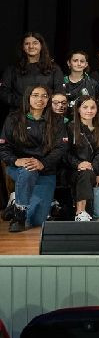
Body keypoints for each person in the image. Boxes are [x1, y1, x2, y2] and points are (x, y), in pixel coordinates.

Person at [0, 85, 67, 232]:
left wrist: (43, 163)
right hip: (19, 168)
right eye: (35, 95)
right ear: (28, 97)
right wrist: (16, 161)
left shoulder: (57, 120)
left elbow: (61, 148)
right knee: (28, 170)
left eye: (44, 96)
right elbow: (3, 147)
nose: (40, 99)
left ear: (48, 100)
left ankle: (16, 201)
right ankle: (19, 214)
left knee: (37, 220)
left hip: (46, 171)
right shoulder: (13, 118)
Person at [67, 96, 99, 222]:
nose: (89, 110)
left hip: (92, 169)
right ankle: (80, 212)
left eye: (92, 107)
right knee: (84, 173)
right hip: (72, 169)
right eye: (85, 107)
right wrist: (78, 164)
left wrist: (93, 167)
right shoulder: (70, 127)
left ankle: (84, 211)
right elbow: (65, 152)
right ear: (78, 109)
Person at [0, 32, 64, 111]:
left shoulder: (54, 68)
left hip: (46, 113)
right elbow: (3, 92)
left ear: (41, 45)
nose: (31, 46)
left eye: (35, 43)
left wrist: (42, 103)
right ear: (23, 47)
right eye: (27, 43)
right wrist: (24, 103)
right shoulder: (12, 69)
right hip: (18, 113)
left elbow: (59, 92)